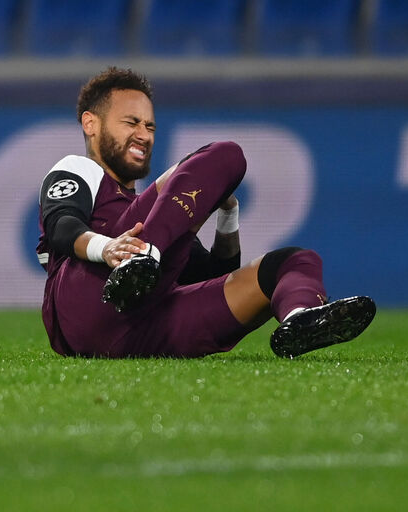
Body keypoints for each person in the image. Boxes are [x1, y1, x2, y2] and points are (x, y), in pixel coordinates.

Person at [36, 67, 375, 359]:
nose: (144, 135)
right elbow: (61, 226)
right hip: (89, 301)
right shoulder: (80, 169)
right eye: (131, 122)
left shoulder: (161, 218)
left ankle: (300, 317)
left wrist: (227, 214)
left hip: (142, 329)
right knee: (226, 154)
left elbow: (212, 278)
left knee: (296, 262)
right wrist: (108, 248)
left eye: (150, 127)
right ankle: (140, 258)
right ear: (91, 123)